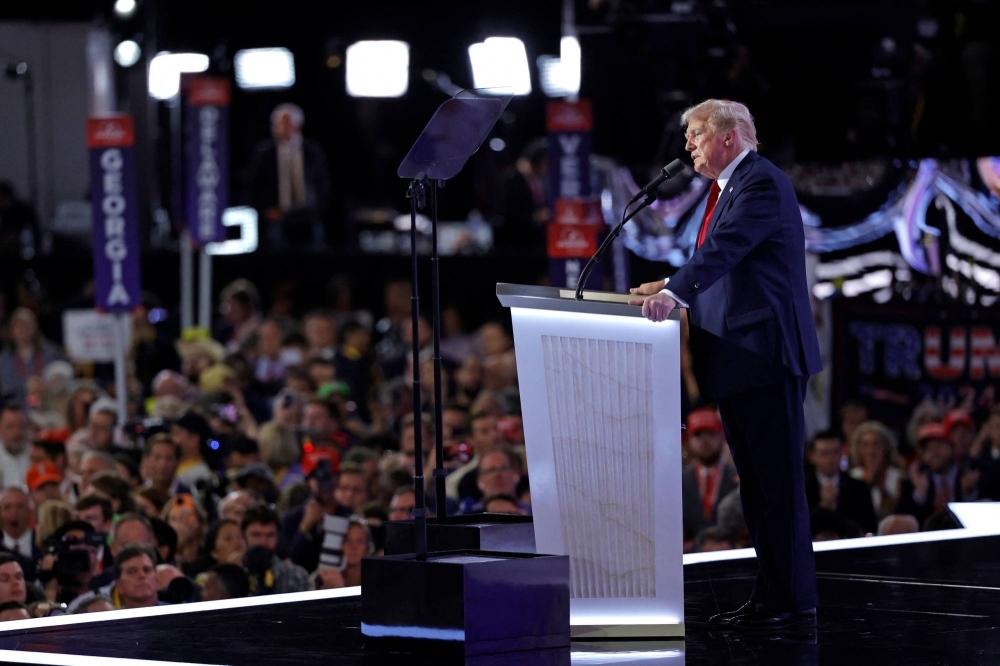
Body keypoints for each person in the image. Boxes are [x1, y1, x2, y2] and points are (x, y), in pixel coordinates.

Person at [628, 99, 821, 630]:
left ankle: (792, 601)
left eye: (694, 134)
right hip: (739, 360)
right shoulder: (727, 188)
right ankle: (775, 596)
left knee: (777, 487)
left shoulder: (760, 182)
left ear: (729, 137)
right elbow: (722, 267)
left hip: (766, 356)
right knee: (757, 488)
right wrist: (666, 286)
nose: (687, 144)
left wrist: (675, 290)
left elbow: (727, 250)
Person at [247, 103, 331, 249]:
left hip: (308, 218)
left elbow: (323, 185)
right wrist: (266, 210)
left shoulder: (313, 152)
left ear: (296, 125)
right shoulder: (264, 153)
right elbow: (254, 187)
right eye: (275, 124)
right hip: (277, 219)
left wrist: (317, 211)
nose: (276, 128)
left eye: (282, 123)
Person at [804, 431, 878, 535]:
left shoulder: (859, 488)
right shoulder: (801, 489)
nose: (830, 459)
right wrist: (823, 507)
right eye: (824, 453)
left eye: (835, 452)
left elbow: (868, 529)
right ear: (812, 456)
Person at [681, 408, 739, 536]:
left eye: (711, 433)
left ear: (723, 436)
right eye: (697, 434)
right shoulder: (679, 482)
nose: (705, 440)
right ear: (688, 440)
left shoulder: (740, 478)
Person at [241, 504, 310, 594]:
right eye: (256, 535)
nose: (263, 542)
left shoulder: (296, 576)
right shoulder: (233, 576)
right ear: (243, 536)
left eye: (270, 535)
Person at [0, 404, 31, 488]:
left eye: (21, 426)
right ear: (1, 429)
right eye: (10, 427)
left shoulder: (35, 456)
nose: (17, 433)